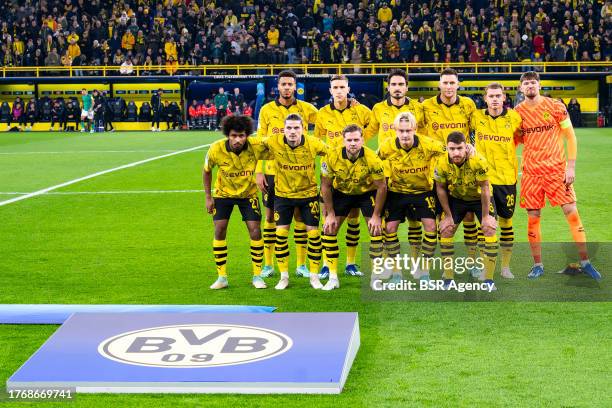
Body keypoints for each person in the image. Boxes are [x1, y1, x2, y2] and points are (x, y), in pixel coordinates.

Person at [514, 71, 601, 280]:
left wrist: (570, 167)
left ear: (539, 85)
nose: (530, 86)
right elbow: (515, 141)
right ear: (520, 88)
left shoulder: (555, 107)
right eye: (526, 83)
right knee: (533, 219)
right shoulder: (517, 113)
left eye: (533, 82)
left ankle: (586, 262)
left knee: (572, 212)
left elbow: (571, 137)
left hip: (556, 170)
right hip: (532, 173)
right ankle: (538, 265)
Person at [251, 114, 327, 290]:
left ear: (303, 129)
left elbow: (332, 153)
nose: (292, 132)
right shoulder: (274, 141)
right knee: (281, 235)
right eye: (289, 128)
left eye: (296, 128)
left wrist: (326, 177)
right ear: (283, 129)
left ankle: (314, 277)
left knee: (314, 235)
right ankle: (284, 277)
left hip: (307, 195)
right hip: (282, 196)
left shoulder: (314, 143)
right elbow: (252, 146)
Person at [255, 70, 318, 279]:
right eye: (284, 84)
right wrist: (258, 172)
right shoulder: (266, 110)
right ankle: (269, 264)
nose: (287, 88)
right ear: (278, 86)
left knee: (300, 217)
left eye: (290, 84)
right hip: (273, 173)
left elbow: (328, 118)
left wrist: (350, 101)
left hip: (301, 173)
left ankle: (301, 265)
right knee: (270, 217)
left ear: (295, 86)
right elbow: (260, 143)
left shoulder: (307, 109)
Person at [314, 74, 372, 278]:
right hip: (332, 173)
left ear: (348, 89)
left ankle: (350, 263)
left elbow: (373, 127)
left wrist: (361, 146)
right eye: (335, 87)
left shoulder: (361, 110)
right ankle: (325, 264)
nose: (339, 90)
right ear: (330, 91)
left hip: (356, 172)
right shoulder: (321, 114)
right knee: (328, 219)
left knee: (354, 219)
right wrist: (328, 160)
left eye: (342, 87)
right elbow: (318, 140)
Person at [365, 69, 426, 264]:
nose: (397, 88)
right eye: (394, 85)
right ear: (388, 87)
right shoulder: (378, 109)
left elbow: (427, 135)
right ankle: (389, 263)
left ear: (407, 87)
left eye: (401, 84)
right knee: (385, 223)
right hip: (386, 176)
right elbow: (366, 133)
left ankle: (416, 263)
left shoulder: (418, 108)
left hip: (413, 173)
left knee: (415, 222)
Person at [204, 115, 271, 289]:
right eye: (234, 135)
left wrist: (260, 171)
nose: (238, 140)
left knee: (255, 231)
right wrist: (208, 197)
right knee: (219, 230)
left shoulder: (256, 146)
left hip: (248, 195)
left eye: (242, 136)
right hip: (223, 194)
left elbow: (277, 148)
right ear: (228, 134)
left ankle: (257, 276)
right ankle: (221, 277)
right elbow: (206, 171)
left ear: (247, 135)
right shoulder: (215, 149)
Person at [377, 112, 446, 282]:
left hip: (422, 191)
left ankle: (424, 271)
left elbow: (448, 150)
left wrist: (468, 148)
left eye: (408, 130)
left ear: (415, 129)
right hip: (397, 192)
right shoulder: (387, 146)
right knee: (390, 228)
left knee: (431, 227)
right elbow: (372, 159)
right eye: (401, 130)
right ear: (395, 130)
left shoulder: (427, 143)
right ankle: (396, 272)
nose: (405, 134)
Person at [320, 124, 386, 290]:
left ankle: (375, 277)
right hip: (342, 192)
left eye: (356, 139)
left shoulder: (372, 158)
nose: (353, 143)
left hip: (366, 193)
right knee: (329, 229)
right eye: (349, 140)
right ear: (343, 141)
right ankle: (333, 277)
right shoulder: (332, 156)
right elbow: (325, 186)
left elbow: (382, 187)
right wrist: (330, 213)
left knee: (377, 230)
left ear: (363, 140)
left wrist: (377, 215)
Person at [422, 68, 480, 254]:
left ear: (458, 84)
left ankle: (472, 261)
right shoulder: (426, 106)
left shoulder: (468, 104)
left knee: (469, 216)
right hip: (435, 171)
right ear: (439, 84)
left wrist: (473, 145)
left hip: (463, 169)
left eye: (452, 83)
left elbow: (475, 130)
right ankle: (439, 259)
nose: (448, 86)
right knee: (437, 219)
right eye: (445, 83)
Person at [470, 83, 522, 279]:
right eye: (490, 96)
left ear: (504, 98)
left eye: (497, 96)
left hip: (507, 179)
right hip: (484, 180)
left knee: (506, 222)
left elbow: (524, 138)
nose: (494, 99)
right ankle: (486, 267)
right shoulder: (476, 117)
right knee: (486, 224)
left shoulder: (515, 118)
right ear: (485, 98)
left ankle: (506, 266)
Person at [434, 131, 499, 290]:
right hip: (457, 198)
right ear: (447, 148)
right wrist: (448, 216)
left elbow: (485, 188)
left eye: (459, 148)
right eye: (452, 149)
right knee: (446, 230)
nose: (456, 152)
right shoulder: (441, 163)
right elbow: (440, 188)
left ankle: (489, 280)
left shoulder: (478, 160)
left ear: (466, 147)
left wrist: (485, 217)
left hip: (479, 199)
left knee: (489, 229)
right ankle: (448, 278)